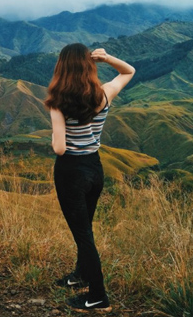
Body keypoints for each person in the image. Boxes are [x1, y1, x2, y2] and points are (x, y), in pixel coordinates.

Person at [44, 44, 135, 312]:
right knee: (85, 228)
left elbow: (59, 148)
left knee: (83, 234)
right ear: (89, 66)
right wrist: (107, 59)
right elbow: (129, 71)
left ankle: (97, 296)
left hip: (70, 171)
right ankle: (80, 275)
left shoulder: (58, 102)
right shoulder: (104, 94)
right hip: (95, 169)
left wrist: (53, 136)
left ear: (61, 68)